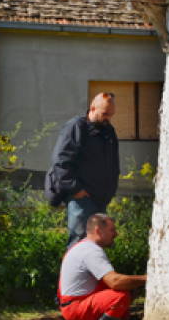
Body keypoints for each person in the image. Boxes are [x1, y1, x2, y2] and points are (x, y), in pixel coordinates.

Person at [57, 213, 147, 320]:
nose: (116, 234)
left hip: (72, 304)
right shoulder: (91, 251)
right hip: (75, 308)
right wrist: (149, 279)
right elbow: (115, 282)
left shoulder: (82, 246)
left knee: (126, 287)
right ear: (98, 231)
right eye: (112, 230)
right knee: (121, 294)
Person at [51, 92, 120, 249]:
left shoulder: (108, 131)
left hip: (101, 198)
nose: (108, 118)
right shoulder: (76, 127)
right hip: (82, 199)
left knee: (97, 246)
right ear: (92, 108)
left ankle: (92, 275)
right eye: (105, 114)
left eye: (111, 114)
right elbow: (60, 161)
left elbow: (113, 164)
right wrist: (76, 190)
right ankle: (72, 275)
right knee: (78, 245)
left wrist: (110, 190)